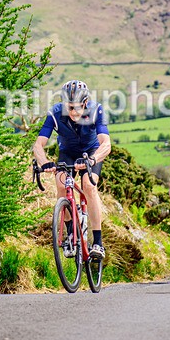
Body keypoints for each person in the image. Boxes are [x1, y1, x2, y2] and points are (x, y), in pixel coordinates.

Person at [33, 80, 111, 259]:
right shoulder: (55, 113)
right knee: (61, 184)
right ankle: (70, 233)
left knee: (88, 186)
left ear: (85, 103)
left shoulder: (95, 110)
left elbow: (106, 144)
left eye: (76, 107)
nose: (73, 112)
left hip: (90, 153)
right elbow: (38, 145)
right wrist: (44, 162)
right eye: (69, 107)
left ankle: (98, 242)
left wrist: (93, 159)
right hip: (67, 153)